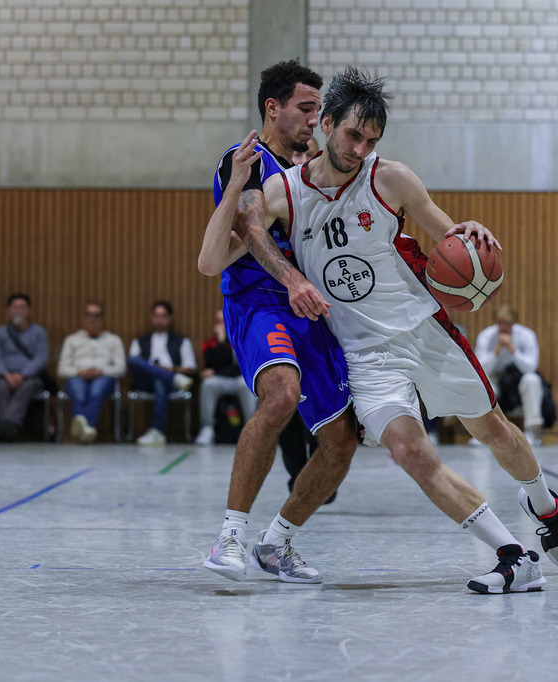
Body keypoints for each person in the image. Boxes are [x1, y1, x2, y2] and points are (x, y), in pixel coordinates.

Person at [209, 67, 558, 593]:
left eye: (371, 140)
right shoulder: (283, 191)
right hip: (366, 356)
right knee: (410, 452)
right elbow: (228, 247)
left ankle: (545, 504)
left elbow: (446, 232)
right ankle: (513, 555)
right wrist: (270, 254)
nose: (360, 149)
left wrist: (466, 234)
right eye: (352, 135)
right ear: (328, 124)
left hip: (422, 330)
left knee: (492, 429)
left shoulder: (391, 178)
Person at [198, 60, 358, 584]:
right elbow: (248, 226)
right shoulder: (246, 161)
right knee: (282, 394)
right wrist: (291, 279)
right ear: (273, 108)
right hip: (260, 299)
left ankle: (277, 542)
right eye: (306, 109)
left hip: (311, 304)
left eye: (318, 110)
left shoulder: (314, 164)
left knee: (341, 442)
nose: (315, 119)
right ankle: (230, 537)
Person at [127, 300, 196, 445]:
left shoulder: (181, 341)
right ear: (151, 318)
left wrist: (170, 369)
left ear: (170, 319)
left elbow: (190, 368)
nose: (160, 320)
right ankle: (172, 377)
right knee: (133, 359)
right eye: (157, 316)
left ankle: (157, 431)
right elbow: (133, 365)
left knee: (160, 382)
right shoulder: (140, 341)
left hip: (170, 384)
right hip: (144, 382)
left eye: (163, 316)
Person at [57, 301, 126, 444]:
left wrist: (102, 371)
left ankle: (82, 430)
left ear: (102, 318)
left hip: (103, 377)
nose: (92, 319)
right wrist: (79, 371)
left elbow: (121, 368)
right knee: (79, 391)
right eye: (89, 315)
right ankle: (88, 430)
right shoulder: (72, 340)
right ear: (84, 318)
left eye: (96, 315)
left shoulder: (113, 340)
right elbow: (62, 369)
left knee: (96, 391)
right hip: (77, 376)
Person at [474, 304, 543, 445]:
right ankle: (482, 432)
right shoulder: (486, 336)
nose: (504, 327)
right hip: (494, 377)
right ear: (496, 322)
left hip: (517, 378)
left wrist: (513, 350)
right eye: (501, 323)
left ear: (514, 323)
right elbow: (479, 368)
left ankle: (532, 430)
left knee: (532, 380)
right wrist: (496, 351)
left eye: (508, 323)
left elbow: (531, 367)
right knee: (479, 383)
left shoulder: (527, 335)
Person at [0, 293, 49, 442]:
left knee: (26, 387)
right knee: (0, 386)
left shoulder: (39, 332)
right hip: (5, 376)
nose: (18, 310)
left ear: (28, 310)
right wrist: (6, 374)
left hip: (31, 378)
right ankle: (10, 428)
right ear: (9, 310)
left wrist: (23, 375)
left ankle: (5, 426)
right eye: (15, 307)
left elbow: (40, 358)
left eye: (22, 307)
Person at [194, 309, 257, 446]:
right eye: (218, 322)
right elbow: (213, 362)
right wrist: (221, 341)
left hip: (239, 379)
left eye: (223, 321)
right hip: (220, 380)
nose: (221, 325)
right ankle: (207, 428)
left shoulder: (241, 338)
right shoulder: (209, 343)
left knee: (247, 385)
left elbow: (239, 366)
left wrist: (217, 370)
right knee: (208, 384)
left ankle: (252, 430)